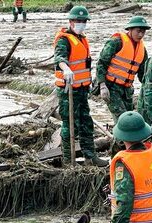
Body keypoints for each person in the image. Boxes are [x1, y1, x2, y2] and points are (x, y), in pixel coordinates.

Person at [53, 6, 108, 167]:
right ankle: (68, 160)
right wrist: (66, 69)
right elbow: (59, 58)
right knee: (70, 125)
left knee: (86, 122)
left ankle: (90, 156)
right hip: (68, 89)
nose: (81, 24)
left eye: (83, 21)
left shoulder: (82, 38)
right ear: (71, 21)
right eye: (78, 21)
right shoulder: (64, 39)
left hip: (82, 89)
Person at [96, 16, 150, 123]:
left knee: (129, 118)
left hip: (127, 90)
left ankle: (121, 139)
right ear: (130, 30)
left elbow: (143, 73)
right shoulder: (116, 42)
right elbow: (102, 63)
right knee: (123, 120)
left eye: (143, 32)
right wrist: (102, 85)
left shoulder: (142, 50)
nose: (141, 35)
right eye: (138, 31)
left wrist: (150, 88)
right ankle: (120, 140)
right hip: (111, 87)